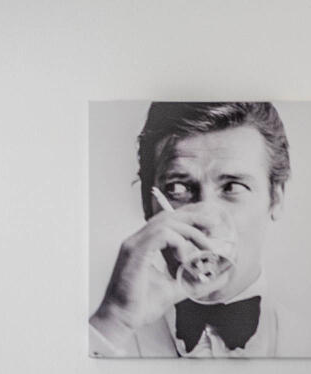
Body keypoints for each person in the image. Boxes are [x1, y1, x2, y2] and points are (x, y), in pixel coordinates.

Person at [89, 101, 291, 357]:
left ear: (276, 197)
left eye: (232, 187)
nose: (205, 219)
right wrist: (115, 320)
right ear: (147, 205)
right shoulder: (101, 338)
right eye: (178, 189)